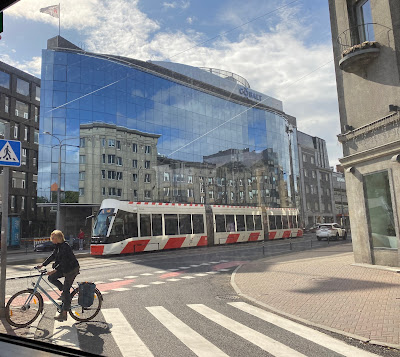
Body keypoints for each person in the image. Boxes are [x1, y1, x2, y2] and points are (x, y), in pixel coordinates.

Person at [37, 230, 80, 321]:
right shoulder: (58, 246)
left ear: (58, 238)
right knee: (51, 278)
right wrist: (43, 264)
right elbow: (53, 256)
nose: (51, 240)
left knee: (66, 290)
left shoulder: (65, 247)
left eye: (53, 238)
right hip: (64, 269)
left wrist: (54, 270)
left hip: (71, 270)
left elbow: (64, 261)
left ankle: (64, 314)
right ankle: (63, 292)